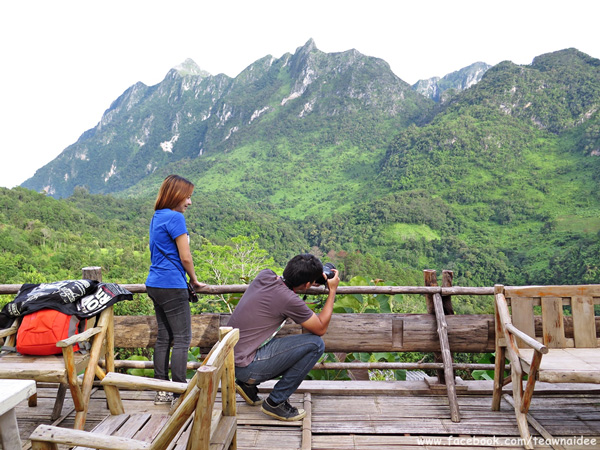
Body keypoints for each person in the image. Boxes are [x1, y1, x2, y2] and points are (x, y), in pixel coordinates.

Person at [227, 253, 340, 421]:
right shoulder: (289, 300)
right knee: (316, 344)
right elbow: (320, 328)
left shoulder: (265, 275)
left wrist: (307, 281)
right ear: (307, 284)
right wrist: (332, 291)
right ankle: (275, 402)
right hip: (245, 366)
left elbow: (287, 284)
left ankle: (247, 385)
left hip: (231, 359)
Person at [145, 174, 205, 405]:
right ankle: (180, 391)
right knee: (182, 339)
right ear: (176, 196)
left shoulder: (157, 216)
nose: (189, 202)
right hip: (172, 284)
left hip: (154, 283)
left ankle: (161, 389)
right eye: (187, 197)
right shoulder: (176, 218)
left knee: (164, 338)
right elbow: (185, 257)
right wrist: (195, 280)